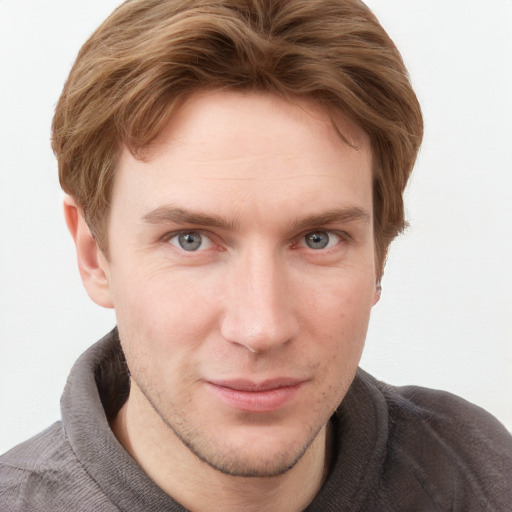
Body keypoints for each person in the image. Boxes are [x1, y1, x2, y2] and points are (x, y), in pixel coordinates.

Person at [1, 0, 511, 510]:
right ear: (94, 255)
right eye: (191, 240)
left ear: (379, 255)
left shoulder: (480, 474)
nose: (261, 328)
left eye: (318, 239)